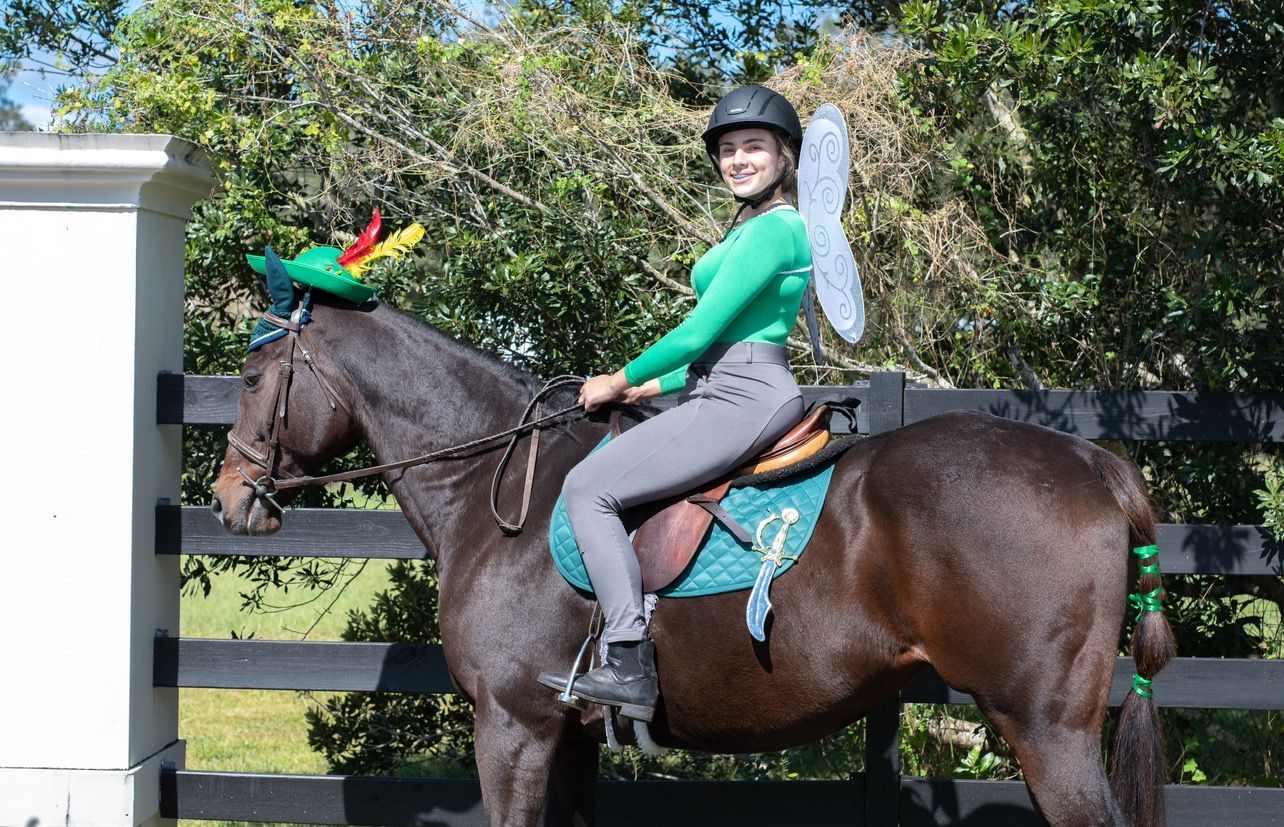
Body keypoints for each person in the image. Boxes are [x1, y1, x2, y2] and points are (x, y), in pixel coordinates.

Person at [539, 86, 813, 722]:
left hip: (744, 397)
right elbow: (719, 347)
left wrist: (618, 376)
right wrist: (650, 388)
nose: (738, 159)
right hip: (719, 385)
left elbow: (696, 332)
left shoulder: (776, 230)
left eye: (753, 147)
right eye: (727, 150)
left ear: (784, 156)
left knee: (588, 489)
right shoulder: (752, 227)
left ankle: (628, 661)